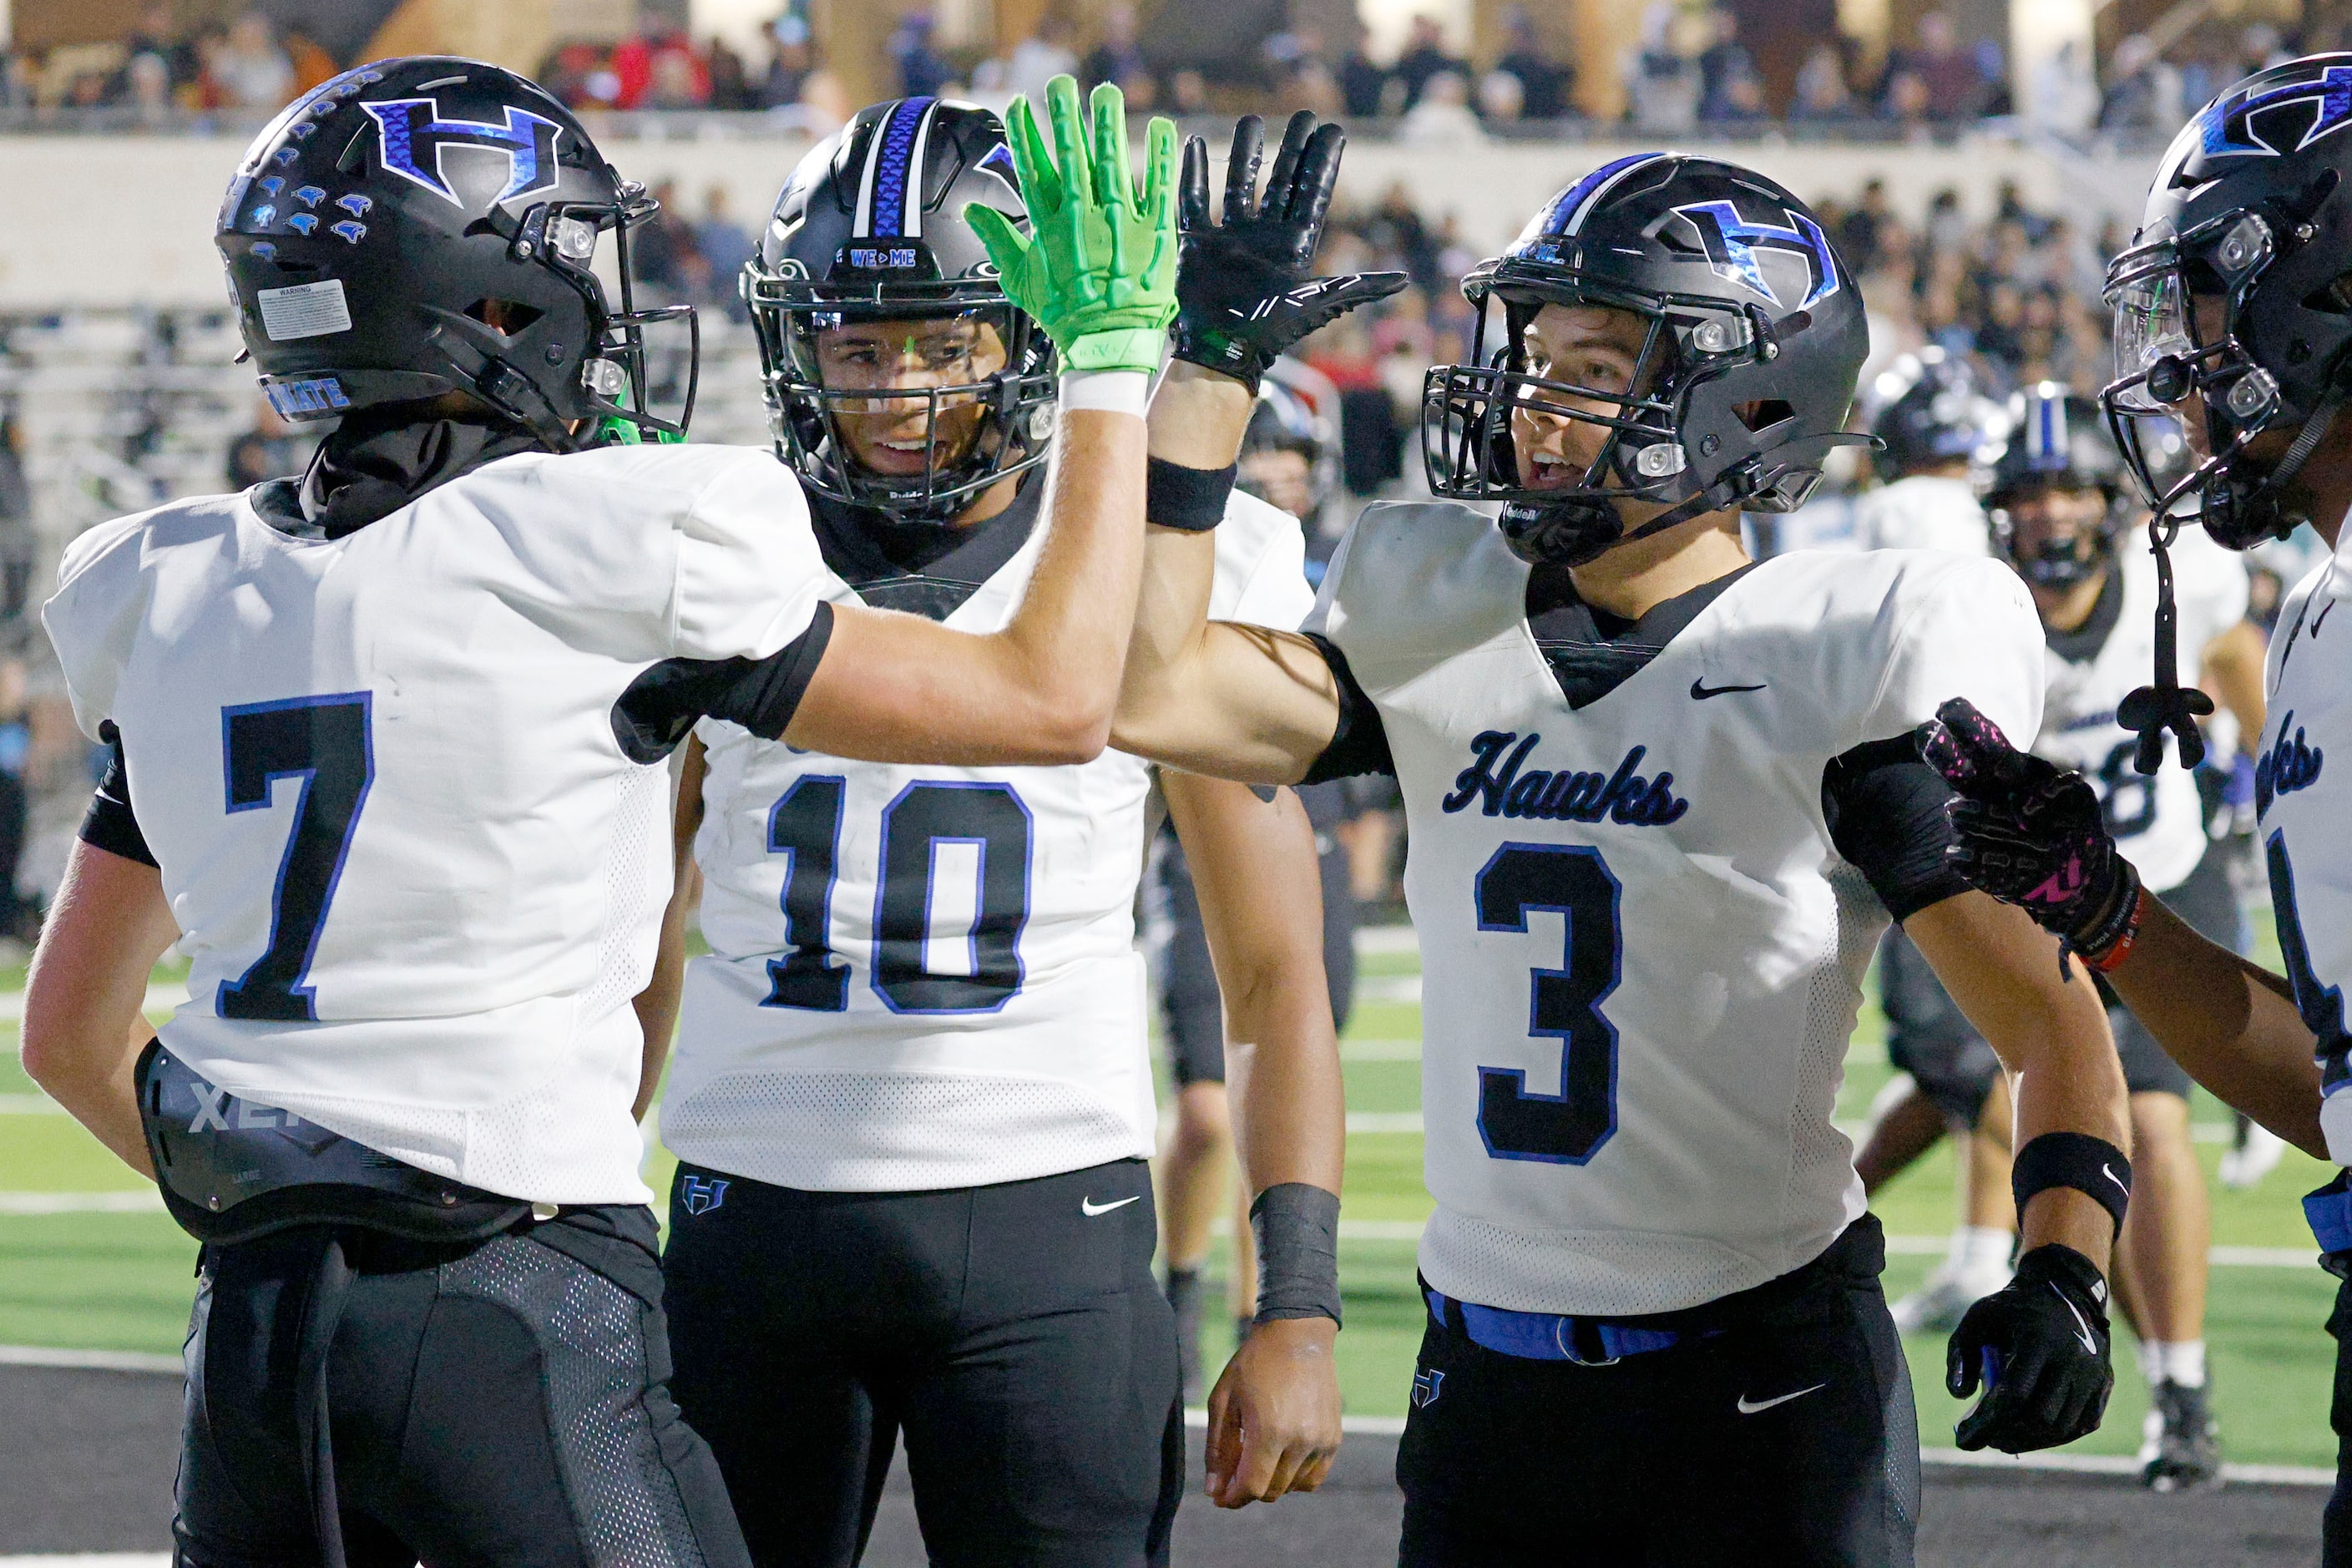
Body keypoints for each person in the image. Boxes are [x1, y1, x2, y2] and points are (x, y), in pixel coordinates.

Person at [18, 58, 1168, 1568]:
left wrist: (282, 1190)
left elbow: (68, 1034)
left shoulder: (160, 586)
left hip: (252, 1333)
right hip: (515, 1290)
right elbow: (1053, 698)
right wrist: (1110, 365)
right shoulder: (606, 540)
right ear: (490, 307)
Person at [1114, 149, 2134, 1564]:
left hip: (1762, 1379)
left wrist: (2064, 1267)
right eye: (1532, 357)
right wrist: (1208, 374)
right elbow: (1148, 690)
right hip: (1483, 1378)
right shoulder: (1435, 609)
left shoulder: (1839, 649)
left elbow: (2049, 1017)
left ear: (1744, 391)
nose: (1535, 404)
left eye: (1593, 362)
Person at [651, 91, 1392, 1568]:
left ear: (1033, 345)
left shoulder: (1176, 557)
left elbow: (1270, 970)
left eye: (946, 341)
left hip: (1051, 1213)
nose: (899, 386)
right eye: (859, 345)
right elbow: (641, 932)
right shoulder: (715, 538)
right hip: (749, 1209)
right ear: (794, 347)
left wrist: (1294, 1296)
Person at [1922, 53, 2352, 1560]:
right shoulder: (2312, 617)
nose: (2176, 373)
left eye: (2210, 316)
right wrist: (2106, 911)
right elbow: (2335, 1095)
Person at [1879, 386, 2263, 1489]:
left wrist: (2250, 752)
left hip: (2168, 889)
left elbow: (2242, 664)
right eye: (2028, 494)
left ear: (2109, 500)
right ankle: (2117, 1334)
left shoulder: (2177, 578)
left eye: (2068, 490)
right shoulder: (1974, 605)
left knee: (2149, 1116)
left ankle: (2180, 1386)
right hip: (2038, 910)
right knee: (2061, 1115)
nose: (2048, 514)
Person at [1156, 368, 1363, 1404]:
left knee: (1273, 1095)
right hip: (1200, 857)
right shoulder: (1197, 557)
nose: (1282, 480)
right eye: (1263, 461)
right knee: (1202, 1111)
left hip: (1304, 848)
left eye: (1296, 464)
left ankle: (1256, 1309)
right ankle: (1178, 1283)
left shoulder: (1329, 574)